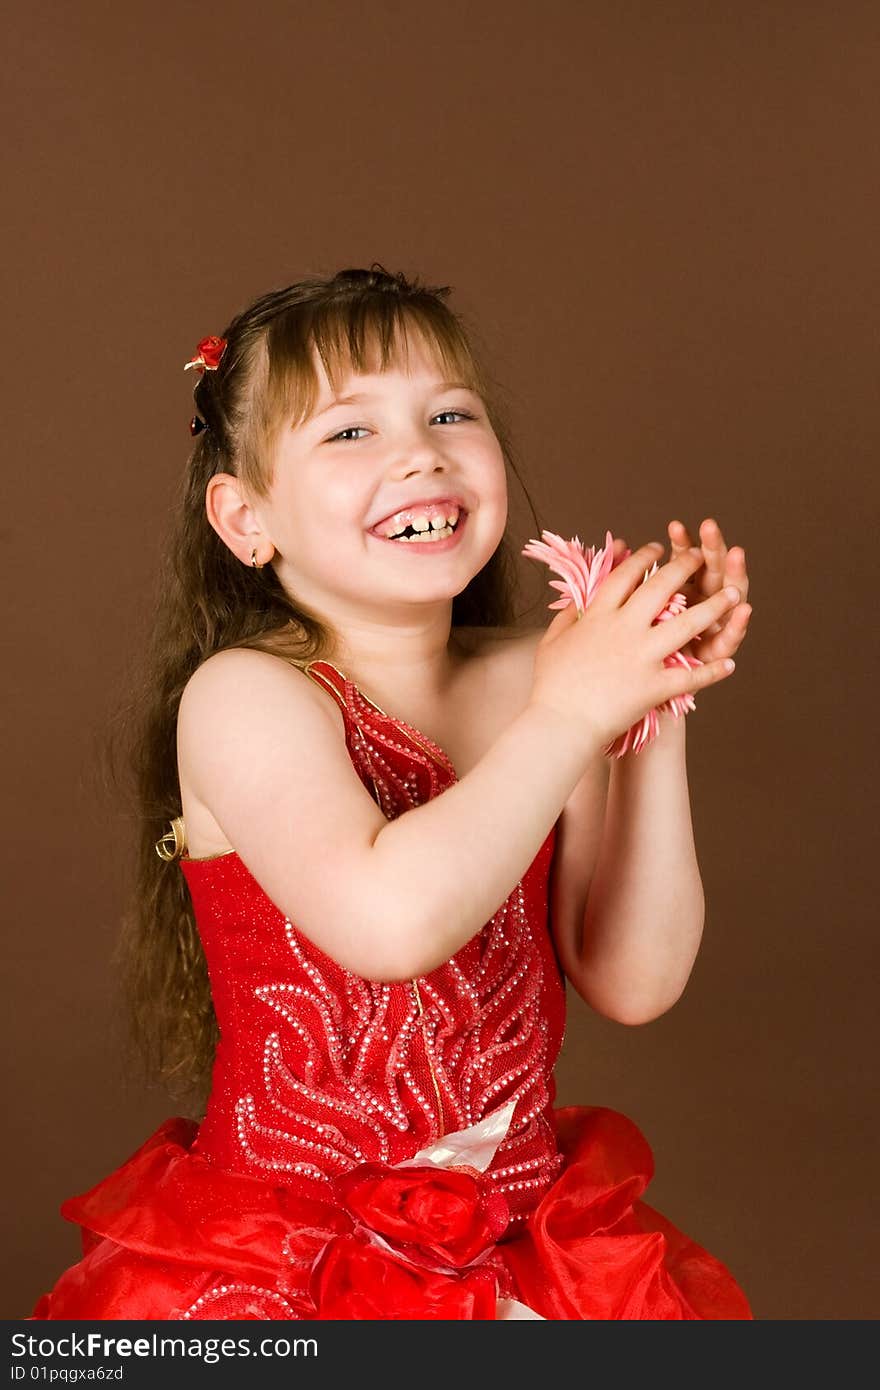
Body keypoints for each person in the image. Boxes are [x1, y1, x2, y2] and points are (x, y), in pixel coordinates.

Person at [30, 263, 753, 1320]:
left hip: (523, 1250)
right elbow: (390, 921)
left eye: (450, 413)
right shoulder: (248, 697)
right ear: (245, 519)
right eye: (348, 431)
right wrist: (573, 710)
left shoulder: (541, 675)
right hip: (282, 1263)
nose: (420, 452)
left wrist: (648, 702)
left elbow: (632, 976)